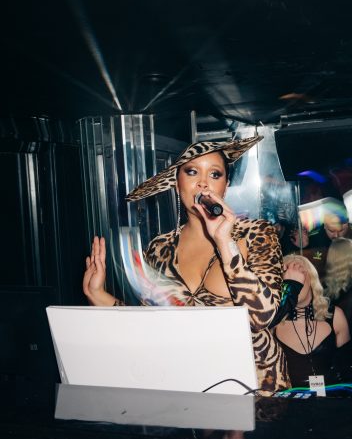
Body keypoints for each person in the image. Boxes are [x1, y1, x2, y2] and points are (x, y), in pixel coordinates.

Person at [83, 135, 290, 393]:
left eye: (215, 174)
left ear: (225, 186)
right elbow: (149, 326)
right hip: (186, 383)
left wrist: (225, 242)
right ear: (176, 183)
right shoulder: (159, 248)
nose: (203, 182)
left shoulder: (257, 233)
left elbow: (263, 316)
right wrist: (97, 294)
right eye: (192, 172)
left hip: (256, 386)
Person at [273, 254, 350, 389]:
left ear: (312, 279)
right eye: (288, 277)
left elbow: (347, 369)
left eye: (299, 274)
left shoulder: (335, 316)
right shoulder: (273, 323)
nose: (294, 281)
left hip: (332, 398)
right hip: (290, 400)